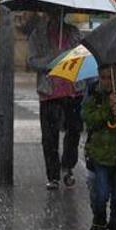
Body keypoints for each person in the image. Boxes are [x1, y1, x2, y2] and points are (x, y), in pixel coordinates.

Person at [26, 11, 85, 190]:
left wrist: (70, 58)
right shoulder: (38, 35)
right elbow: (32, 60)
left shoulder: (75, 33)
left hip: (73, 91)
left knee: (74, 131)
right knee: (49, 137)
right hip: (49, 93)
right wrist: (52, 60)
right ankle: (53, 175)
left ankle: (67, 166)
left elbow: (83, 56)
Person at [81, 65, 116, 230]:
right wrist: (107, 111)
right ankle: (99, 226)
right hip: (100, 157)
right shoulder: (94, 93)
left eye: (110, 78)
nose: (106, 82)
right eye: (103, 78)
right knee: (101, 196)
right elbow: (88, 117)